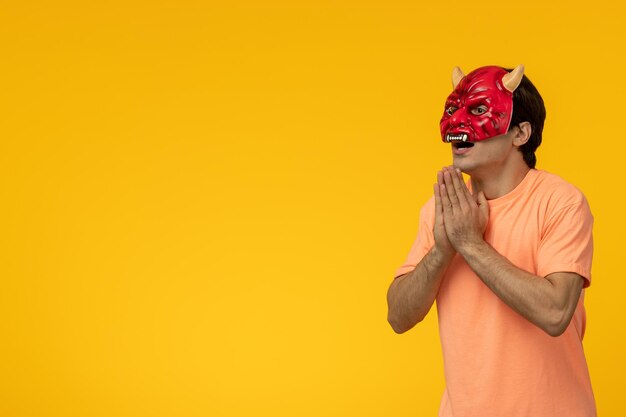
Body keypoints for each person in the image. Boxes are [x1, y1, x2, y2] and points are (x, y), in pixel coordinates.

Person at [386, 65, 596, 417]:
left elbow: (555, 311)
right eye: (454, 110)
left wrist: (470, 243)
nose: (457, 124)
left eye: (479, 110)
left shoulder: (560, 202)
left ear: (520, 133)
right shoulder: (442, 210)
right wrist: (442, 249)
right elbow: (398, 316)